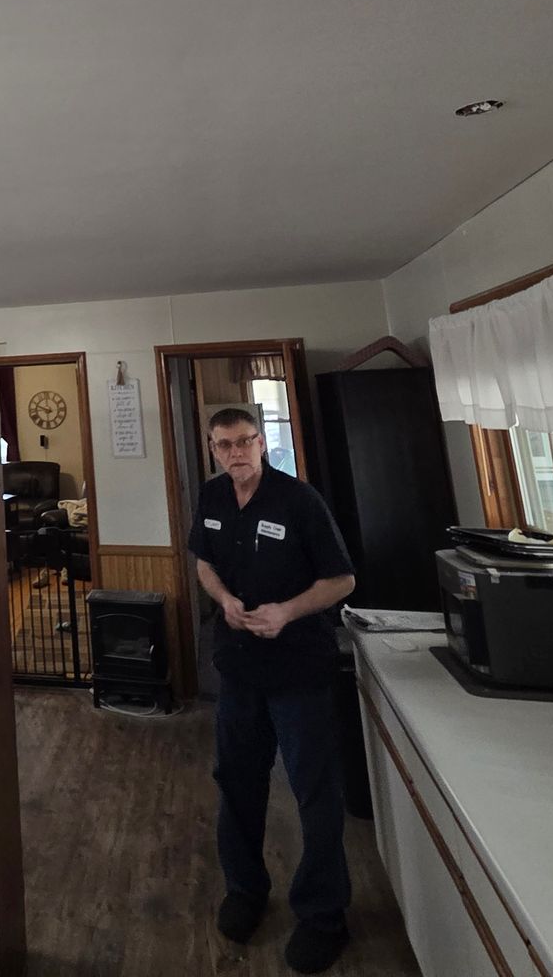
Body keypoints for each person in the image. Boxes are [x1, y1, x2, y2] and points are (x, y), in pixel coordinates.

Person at [189, 406, 356, 973]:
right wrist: (225, 600)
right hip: (237, 669)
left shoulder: (299, 501)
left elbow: (342, 579)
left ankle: (323, 915)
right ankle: (245, 889)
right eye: (224, 445)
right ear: (213, 450)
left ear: (261, 443)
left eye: (244, 442)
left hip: (298, 670)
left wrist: (286, 610)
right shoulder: (212, 499)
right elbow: (204, 562)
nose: (235, 453)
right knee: (236, 782)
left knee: (314, 791)